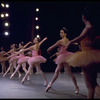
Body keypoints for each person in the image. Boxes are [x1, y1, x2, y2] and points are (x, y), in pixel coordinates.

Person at [65, 7, 100, 99]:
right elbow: (87, 40)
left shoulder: (88, 27)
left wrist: (70, 41)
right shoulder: (92, 28)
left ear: (84, 17)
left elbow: (80, 37)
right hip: (93, 54)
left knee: (89, 84)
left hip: (88, 55)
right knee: (93, 83)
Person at [45, 27, 79, 93]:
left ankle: (50, 84)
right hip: (65, 56)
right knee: (64, 72)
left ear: (65, 34)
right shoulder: (68, 40)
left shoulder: (60, 41)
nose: (60, 34)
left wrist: (48, 50)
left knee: (61, 71)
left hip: (63, 56)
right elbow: (70, 43)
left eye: (62, 33)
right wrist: (75, 43)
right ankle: (76, 87)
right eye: (60, 32)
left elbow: (51, 47)